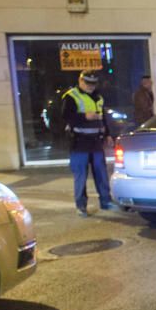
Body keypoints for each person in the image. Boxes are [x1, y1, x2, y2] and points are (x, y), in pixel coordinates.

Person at [62, 70, 117, 216]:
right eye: (87, 83)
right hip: (79, 142)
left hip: (96, 142)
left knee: (101, 174)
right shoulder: (71, 96)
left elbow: (102, 117)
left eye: (93, 84)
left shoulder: (98, 97)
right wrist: (85, 116)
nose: (90, 86)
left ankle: (106, 201)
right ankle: (81, 206)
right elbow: (65, 116)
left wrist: (107, 134)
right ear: (80, 81)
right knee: (80, 176)